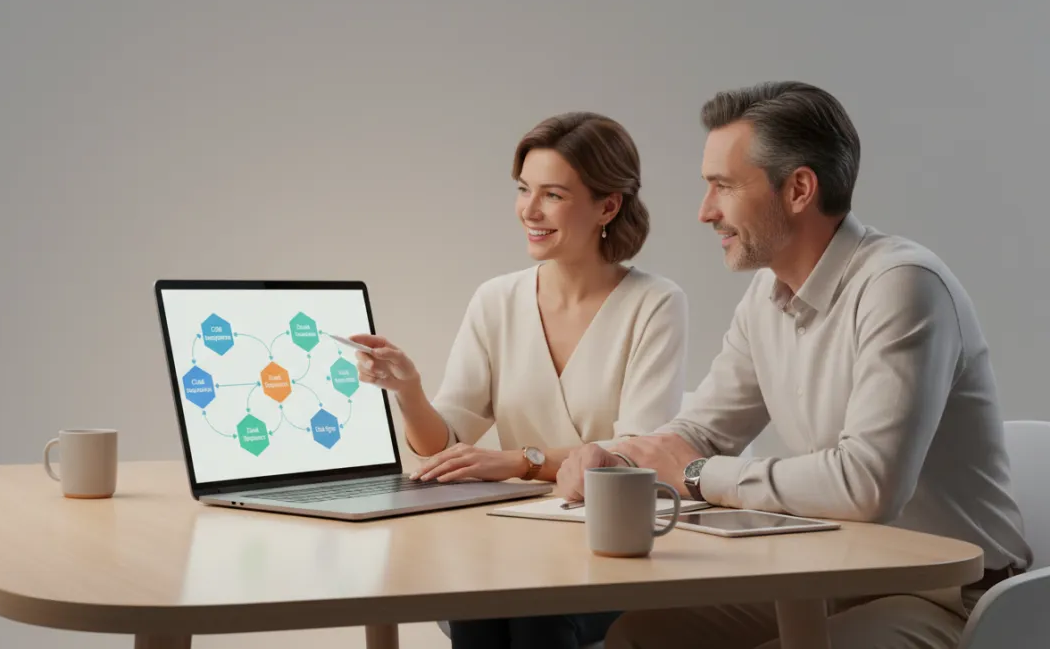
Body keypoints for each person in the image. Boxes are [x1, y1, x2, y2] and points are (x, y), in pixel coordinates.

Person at [557, 81, 1033, 649]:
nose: (705, 211)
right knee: (639, 633)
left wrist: (693, 475)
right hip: (834, 575)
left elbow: (868, 486)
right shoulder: (767, 295)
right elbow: (702, 431)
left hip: (950, 598)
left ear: (800, 189)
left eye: (723, 186)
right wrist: (619, 457)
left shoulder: (902, 286)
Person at [349, 111, 690, 649]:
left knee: (537, 616)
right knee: (480, 606)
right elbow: (445, 450)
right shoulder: (497, 299)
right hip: (515, 535)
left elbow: (635, 454)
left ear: (608, 204)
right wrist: (410, 391)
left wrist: (519, 460)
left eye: (552, 194)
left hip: (610, 539)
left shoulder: (655, 304)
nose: (529, 211)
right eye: (523, 189)